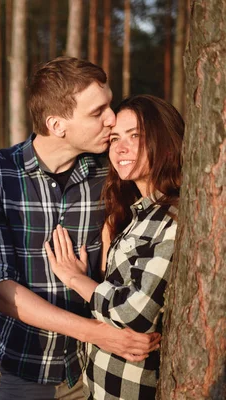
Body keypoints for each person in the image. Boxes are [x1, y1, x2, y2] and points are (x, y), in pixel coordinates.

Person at [0, 57, 160, 400]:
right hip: (20, 370)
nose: (111, 119)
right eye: (97, 112)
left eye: (109, 105)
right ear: (57, 125)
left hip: (92, 372)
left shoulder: (110, 171)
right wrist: (98, 332)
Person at [45, 94, 183, 399]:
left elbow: (136, 313)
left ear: (166, 142)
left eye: (136, 136)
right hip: (100, 384)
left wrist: (76, 280)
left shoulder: (172, 217)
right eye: (116, 138)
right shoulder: (139, 212)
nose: (120, 148)